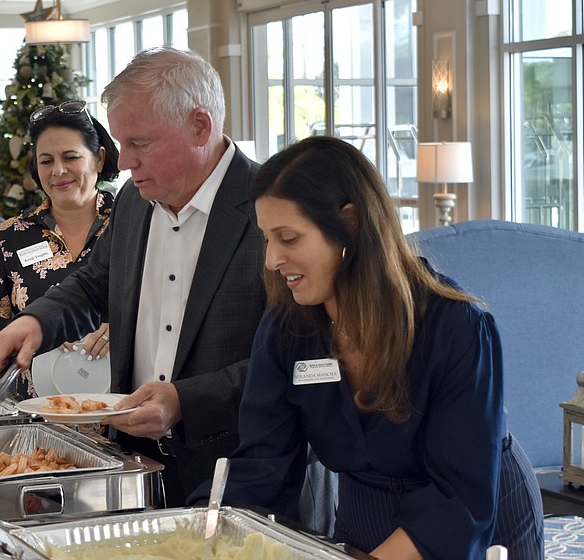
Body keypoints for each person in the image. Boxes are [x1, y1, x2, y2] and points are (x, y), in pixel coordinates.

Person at [189, 136, 544, 558]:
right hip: (364, 513)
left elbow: (459, 496)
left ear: (350, 224)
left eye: (288, 238)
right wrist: (197, 532)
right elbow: (262, 465)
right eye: (267, 239)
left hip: (473, 518)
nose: (271, 259)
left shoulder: (457, 327)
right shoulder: (287, 331)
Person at [0, 46, 266, 508]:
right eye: (120, 143)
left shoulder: (269, 205)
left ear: (201, 126)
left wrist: (185, 401)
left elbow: (299, 356)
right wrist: (37, 321)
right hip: (136, 464)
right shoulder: (135, 201)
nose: (124, 161)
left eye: (141, 143)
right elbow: (96, 283)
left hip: (238, 468)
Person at [0, 101, 119, 398]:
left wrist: (120, 333)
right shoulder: (11, 236)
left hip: (120, 409)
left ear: (99, 159)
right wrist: (35, 330)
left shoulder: (131, 226)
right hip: (35, 411)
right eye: (46, 161)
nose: (58, 170)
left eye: (71, 157)